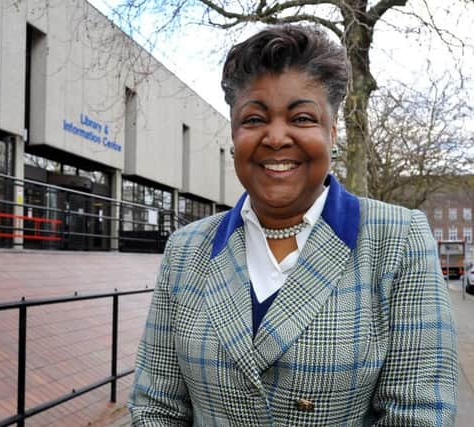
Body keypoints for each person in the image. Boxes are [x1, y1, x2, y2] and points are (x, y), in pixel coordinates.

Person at [129, 24, 458, 425]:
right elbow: (155, 407)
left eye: (302, 117)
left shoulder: (398, 239)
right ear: (234, 134)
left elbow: (419, 415)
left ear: (332, 131)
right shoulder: (186, 249)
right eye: (254, 119)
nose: (276, 137)